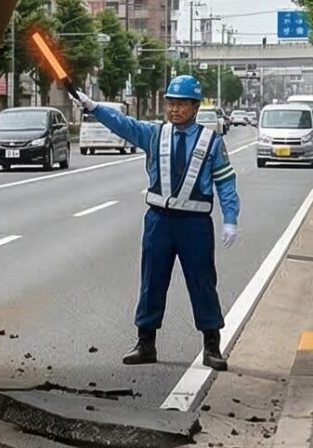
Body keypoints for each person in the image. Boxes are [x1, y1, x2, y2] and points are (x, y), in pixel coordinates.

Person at [76, 74, 240, 369]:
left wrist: (231, 218)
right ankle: (145, 343)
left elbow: (226, 182)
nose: (175, 109)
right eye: (171, 103)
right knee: (152, 281)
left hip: (195, 225)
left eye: (181, 104)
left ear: (195, 106)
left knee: (202, 283)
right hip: (159, 221)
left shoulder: (212, 142)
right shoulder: (154, 134)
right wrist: (94, 107)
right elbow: (123, 125)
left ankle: (212, 346)